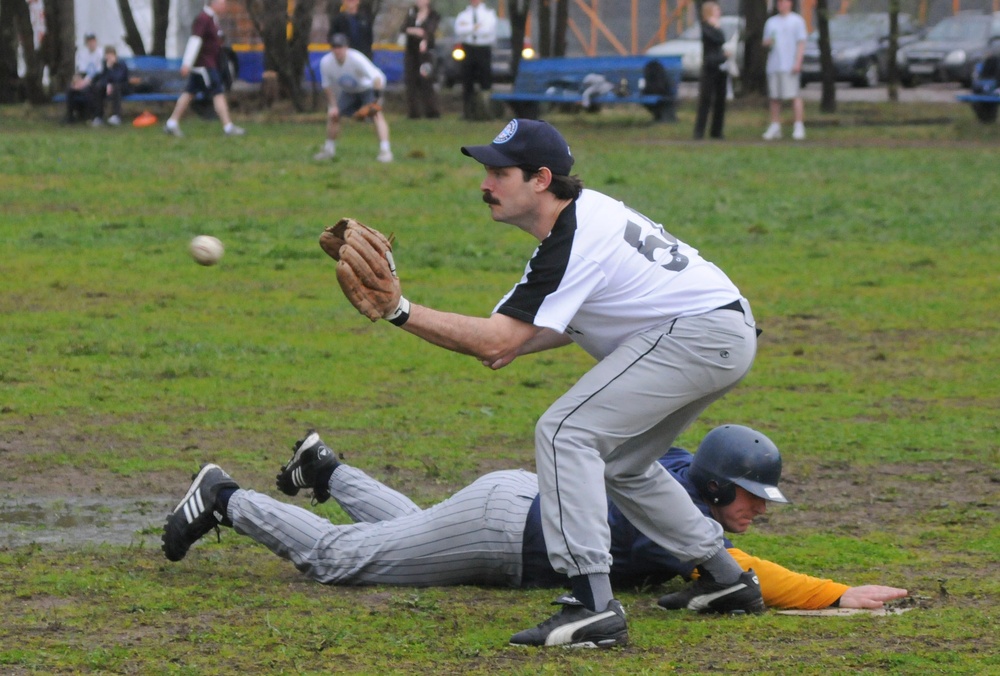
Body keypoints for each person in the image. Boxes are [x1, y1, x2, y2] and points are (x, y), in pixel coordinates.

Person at [328, 118, 765, 648]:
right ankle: (724, 579)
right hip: (718, 332)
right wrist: (499, 342)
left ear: (540, 178)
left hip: (696, 335)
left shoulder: (574, 239)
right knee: (622, 463)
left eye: (498, 172)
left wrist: (400, 311)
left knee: (564, 433)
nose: (485, 184)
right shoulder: (581, 221)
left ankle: (591, 604)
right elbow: (510, 339)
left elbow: (494, 340)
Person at [160, 425, 908, 614]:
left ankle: (326, 470)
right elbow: (741, 574)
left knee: (413, 531)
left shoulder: (675, 471)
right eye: (749, 498)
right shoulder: (678, 513)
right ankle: (225, 497)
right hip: (500, 536)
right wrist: (837, 595)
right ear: (712, 490)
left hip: (511, 505)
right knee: (338, 561)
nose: (758, 512)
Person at [164, 0, 245, 138]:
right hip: (205, 66)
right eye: (222, 3)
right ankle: (228, 127)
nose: (225, 6)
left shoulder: (213, 19)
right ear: (214, 3)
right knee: (218, 93)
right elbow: (195, 40)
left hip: (206, 65)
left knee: (189, 93)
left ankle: (172, 123)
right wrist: (187, 63)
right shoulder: (203, 19)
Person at [314, 33, 393, 163]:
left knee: (376, 115)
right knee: (333, 115)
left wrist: (376, 101)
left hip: (368, 88)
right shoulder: (326, 62)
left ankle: (385, 151)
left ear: (346, 48)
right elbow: (327, 86)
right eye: (334, 47)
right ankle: (329, 150)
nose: (337, 50)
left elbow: (377, 79)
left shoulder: (356, 59)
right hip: (349, 92)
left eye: (340, 47)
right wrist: (333, 106)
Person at [762, 0, 807, 141]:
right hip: (774, 64)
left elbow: (801, 42)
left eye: (784, 2)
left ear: (790, 4)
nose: (782, 5)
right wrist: (768, 42)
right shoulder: (771, 22)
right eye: (779, 2)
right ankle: (775, 125)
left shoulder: (797, 20)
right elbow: (765, 42)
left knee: (794, 95)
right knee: (775, 97)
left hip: (790, 64)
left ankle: (799, 125)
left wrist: (798, 62)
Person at [453, 0, 497, 120]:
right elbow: (459, 30)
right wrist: (475, 27)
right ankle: (468, 112)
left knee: (485, 81)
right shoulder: (463, 15)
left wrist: (468, 28)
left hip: (483, 49)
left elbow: (487, 30)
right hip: (468, 48)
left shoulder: (489, 14)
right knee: (467, 80)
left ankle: (486, 111)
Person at [693, 2, 730, 140]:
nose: (719, 12)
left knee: (720, 99)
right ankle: (699, 131)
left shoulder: (718, 27)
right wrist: (715, 27)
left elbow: (721, 41)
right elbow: (717, 39)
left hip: (720, 66)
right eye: (716, 10)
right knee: (706, 99)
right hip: (710, 67)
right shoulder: (706, 27)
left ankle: (717, 130)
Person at [399, 0, 441, 119]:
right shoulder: (411, 12)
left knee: (426, 80)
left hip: (425, 53)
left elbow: (429, 30)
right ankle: (413, 112)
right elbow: (404, 28)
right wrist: (414, 31)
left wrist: (424, 39)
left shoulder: (433, 15)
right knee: (411, 81)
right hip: (411, 52)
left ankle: (431, 111)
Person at [65, 33, 102, 124]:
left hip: (94, 81)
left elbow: (98, 72)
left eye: (93, 41)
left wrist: (86, 82)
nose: (91, 44)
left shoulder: (100, 53)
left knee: (88, 91)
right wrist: (77, 81)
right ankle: (70, 116)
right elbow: (81, 71)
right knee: (70, 89)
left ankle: (89, 115)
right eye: (89, 42)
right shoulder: (83, 54)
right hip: (83, 81)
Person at [90, 46, 130, 127]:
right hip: (108, 87)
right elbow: (102, 78)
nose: (109, 59)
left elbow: (118, 78)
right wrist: (107, 84)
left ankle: (117, 116)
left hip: (122, 87)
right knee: (98, 88)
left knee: (116, 88)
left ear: (115, 55)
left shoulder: (121, 64)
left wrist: (110, 69)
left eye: (111, 56)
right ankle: (98, 116)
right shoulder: (105, 64)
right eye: (107, 56)